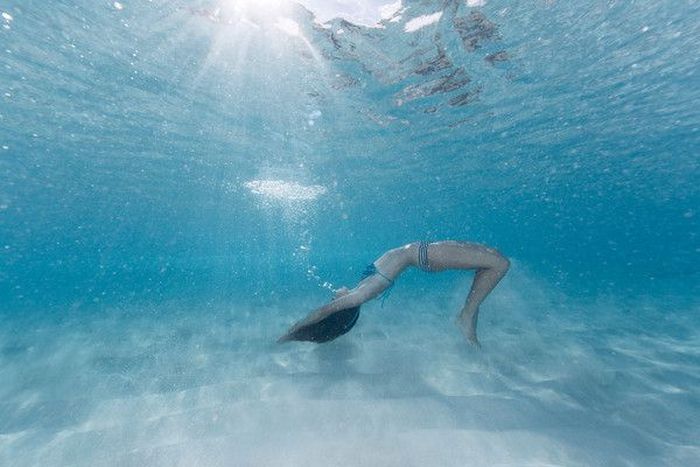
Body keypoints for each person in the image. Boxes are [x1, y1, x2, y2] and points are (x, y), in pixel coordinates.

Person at [278, 240, 510, 347]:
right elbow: (323, 311)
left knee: (493, 254)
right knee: (499, 264)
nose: (333, 296)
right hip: (423, 255)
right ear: (343, 307)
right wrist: (292, 333)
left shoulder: (361, 286)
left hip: (422, 251)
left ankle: (469, 315)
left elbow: (328, 307)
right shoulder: (359, 295)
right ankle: (466, 316)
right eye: (335, 300)